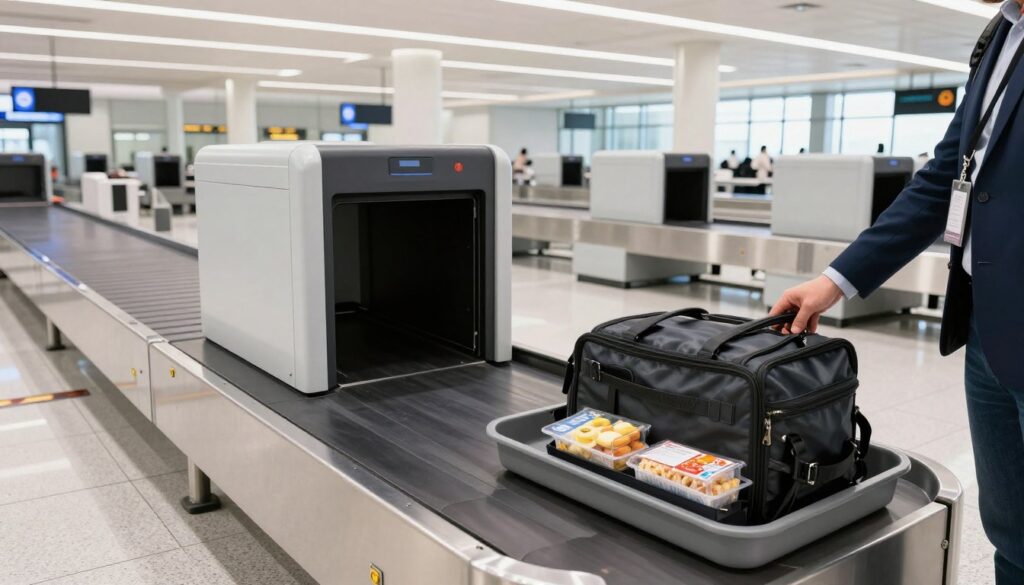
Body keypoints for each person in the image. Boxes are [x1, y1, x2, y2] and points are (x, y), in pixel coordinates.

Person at [769, 2, 1024, 582]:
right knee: (1009, 527)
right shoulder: (1001, 34)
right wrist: (835, 281)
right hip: (988, 329)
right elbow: (947, 176)